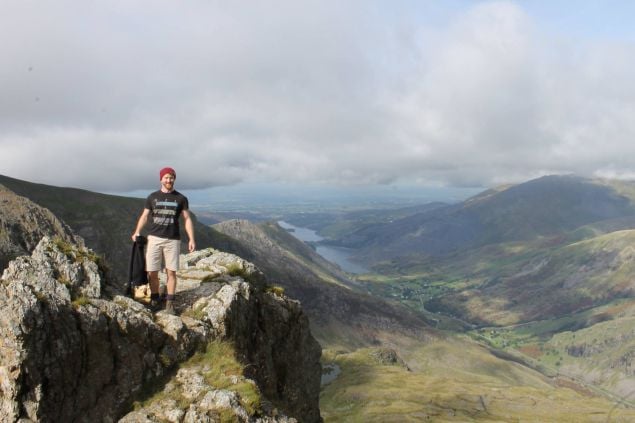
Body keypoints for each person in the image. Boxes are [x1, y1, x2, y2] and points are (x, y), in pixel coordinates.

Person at [132, 167, 196, 314]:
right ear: (161, 179)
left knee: (171, 272)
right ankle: (155, 298)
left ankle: (170, 303)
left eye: (171, 177)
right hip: (154, 238)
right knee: (152, 272)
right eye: (166, 177)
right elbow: (144, 216)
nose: (169, 180)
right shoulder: (152, 197)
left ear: (174, 179)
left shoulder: (181, 199)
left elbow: (187, 219)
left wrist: (191, 239)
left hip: (173, 240)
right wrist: (137, 231)